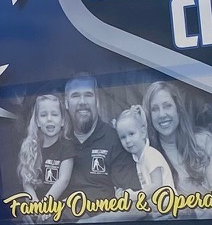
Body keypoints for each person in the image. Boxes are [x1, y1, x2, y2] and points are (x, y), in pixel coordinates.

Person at [145, 78, 212, 216]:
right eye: (155, 109)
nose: (162, 114)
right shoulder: (148, 154)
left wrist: (194, 221)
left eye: (167, 106)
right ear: (149, 116)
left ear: (178, 110)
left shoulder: (204, 141)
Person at [62, 74, 141, 208]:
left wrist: (91, 222)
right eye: (75, 95)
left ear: (97, 101)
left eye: (88, 95)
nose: (82, 101)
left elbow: (136, 205)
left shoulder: (115, 140)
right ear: (66, 102)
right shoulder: (59, 141)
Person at [17, 92, 75, 209]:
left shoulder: (67, 146)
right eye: (43, 115)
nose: (49, 119)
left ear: (62, 121)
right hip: (35, 206)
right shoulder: (30, 147)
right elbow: (26, 182)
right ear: (37, 121)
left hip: (59, 205)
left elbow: (64, 180)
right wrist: (34, 205)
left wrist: (45, 206)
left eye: (54, 114)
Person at [114, 103, 174, 199]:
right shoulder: (139, 160)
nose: (128, 140)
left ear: (143, 132)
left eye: (131, 134)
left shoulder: (150, 155)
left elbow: (157, 185)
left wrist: (136, 195)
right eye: (123, 137)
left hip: (170, 207)